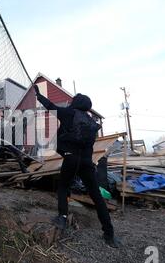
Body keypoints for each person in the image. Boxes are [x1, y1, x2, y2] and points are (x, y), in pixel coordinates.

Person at [34, 85, 121, 248]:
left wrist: (39, 96)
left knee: (63, 186)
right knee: (96, 196)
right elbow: (91, 144)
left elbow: (51, 107)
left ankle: (62, 218)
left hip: (71, 158)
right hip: (87, 162)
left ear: (76, 103)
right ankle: (109, 234)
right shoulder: (92, 122)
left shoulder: (69, 113)